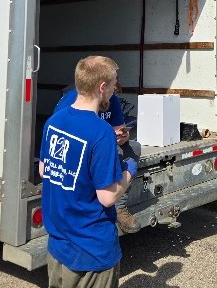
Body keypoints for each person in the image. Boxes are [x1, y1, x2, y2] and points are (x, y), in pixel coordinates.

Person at [39, 56, 137, 288]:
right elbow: (107, 196)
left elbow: (44, 171)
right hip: (92, 249)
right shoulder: (100, 132)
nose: (115, 89)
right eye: (113, 84)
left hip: (58, 246)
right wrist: (130, 171)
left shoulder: (54, 121)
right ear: (102, 87)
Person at [53, 82, 141, 234]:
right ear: (102, 87)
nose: (115, 93)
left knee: (135, 147)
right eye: (113, 88)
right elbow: (64, 135)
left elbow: (118, 127)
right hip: (80, 148)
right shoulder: (72, 100)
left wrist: (123, 136)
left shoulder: (112, 100)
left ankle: (118, 206)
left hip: (103, 144)